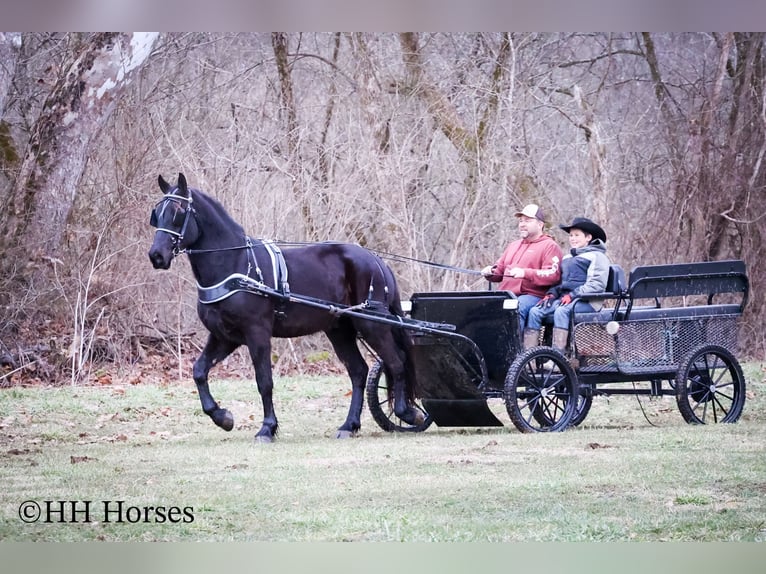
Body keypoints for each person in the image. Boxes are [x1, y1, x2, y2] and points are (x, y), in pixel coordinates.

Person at [526, 216, 610, 355]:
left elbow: (597, 285)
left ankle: (559, 357)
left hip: (587, 301)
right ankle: (529, 358)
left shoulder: (597, 257)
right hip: (565, 300)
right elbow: (559, 282)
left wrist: (572, 295)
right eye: (571, 235)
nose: (573, 238)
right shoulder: (567, 258)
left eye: (577, 235)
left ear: (588, 237)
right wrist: (551, 294)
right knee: (535, 311)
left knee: (561, 311)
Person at [481, 203, 563, 343]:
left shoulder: (550, 246)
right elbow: (499, 272)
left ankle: (512, 353)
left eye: (528, 220)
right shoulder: (513, 245)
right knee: (482, 308)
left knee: (515, 308)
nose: (522, 224)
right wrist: (490, 272)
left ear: (540, 224)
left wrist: (525, 273)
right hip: (506, 294)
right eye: (521, 221)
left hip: (534, 296)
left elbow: (553, 275)